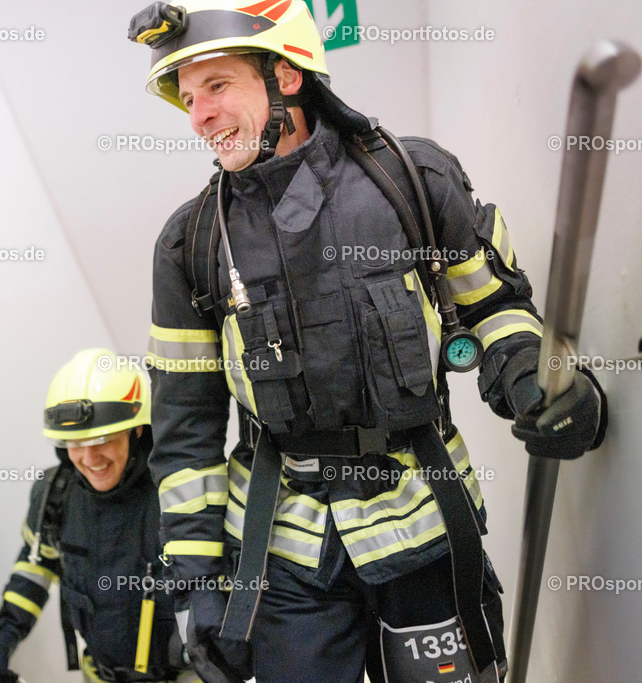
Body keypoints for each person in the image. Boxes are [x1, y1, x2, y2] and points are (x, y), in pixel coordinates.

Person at [126, 2, 607, 681]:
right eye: (187, 95)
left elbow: (495, 308)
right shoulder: (191, 244)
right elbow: (185, 426)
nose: (197, 114)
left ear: (286, 75)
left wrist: (536, 381)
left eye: (217, 85)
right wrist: (200, 582)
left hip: (426, 524)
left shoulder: (414, 181)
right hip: (283, 560)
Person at [0, 349, 199, 683]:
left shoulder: (178, 493)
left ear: (137, 431)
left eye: (102, 439)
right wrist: (6, 635)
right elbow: (35, 566)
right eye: (75, 442)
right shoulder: (55, 493)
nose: (89, 457)